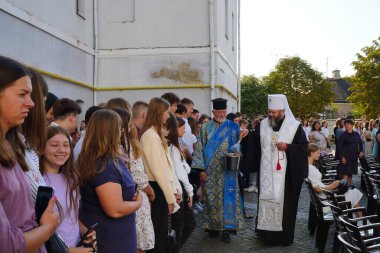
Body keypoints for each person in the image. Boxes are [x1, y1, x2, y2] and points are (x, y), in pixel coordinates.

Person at [0, 55, 59, 252]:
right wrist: (48, 228)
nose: (32, 104)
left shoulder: (10, 145)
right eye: (22, 94)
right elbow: (7, 244)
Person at [77, 109, 143, 252]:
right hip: (111, 237)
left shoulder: (106, 159)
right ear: (112, 132)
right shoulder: (103, 165)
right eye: (119, 128)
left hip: (116, 233)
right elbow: (115, 209)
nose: (121, 132)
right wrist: (138, 203)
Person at [250, 94, 308, 245]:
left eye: (274, 112)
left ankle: (283, 238)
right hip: (266, 175)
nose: (271, 115)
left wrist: (288, 147)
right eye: (269, 111)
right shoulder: (262, 125)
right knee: (265, 201)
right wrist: (245, 135)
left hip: (286, 178)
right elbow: (254, 144)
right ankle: (264, 236)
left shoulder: (294, 126)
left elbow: (303, 148)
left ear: (282, 111)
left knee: (286, 208)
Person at [192, 98, 244, 243]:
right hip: (210, 171)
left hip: (228, 170)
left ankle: (227, 229)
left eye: (223, 111)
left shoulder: (233, 127)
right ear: (213, 111)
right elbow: (199, 149)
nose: (221, 114)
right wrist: (201, 169)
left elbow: (237, 146)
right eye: (218, 111)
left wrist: (238, 152)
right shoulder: (204, 128)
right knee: (211, 199)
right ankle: (213, 228)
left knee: (228, 199)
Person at [40, 126, 96, 252]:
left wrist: (87, 232)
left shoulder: (72, 178)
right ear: (42, 147)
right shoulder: (38, 182)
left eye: (66, 145)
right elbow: (38, 230)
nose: (61, 150)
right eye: (54, 145)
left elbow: (71, 218)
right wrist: (68, 250)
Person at [140, 97, 182, 253]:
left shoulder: (154, 134)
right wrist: (170, 197)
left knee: (161, 233)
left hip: (161, 188)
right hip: (157, 188)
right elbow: (159, 171)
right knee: (158, 234)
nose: (168, 116)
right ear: (159, 112)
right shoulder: (150, 136)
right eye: (166, 112)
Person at [113, 107, 155, 253]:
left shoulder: (116, 143)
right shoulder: (127, 143)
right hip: (135, 196)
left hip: (124, 195)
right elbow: (137, 174)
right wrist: (150, 192)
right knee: (137, 243)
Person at [166, 114, 196, 252]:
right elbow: (180, 172)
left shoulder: (177, 145)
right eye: (182, 127)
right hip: (180, 187)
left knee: (185, 224)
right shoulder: (173, 147)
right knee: (182, 225)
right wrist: (190, 192)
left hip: (181, 185)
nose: (184, 130)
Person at [308, 143, 363, 216]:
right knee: (354, 192)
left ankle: (359, 221)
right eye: (318, 153)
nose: (319, 154)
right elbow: (318, 189)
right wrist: (333, 185)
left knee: (353, 191)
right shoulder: (310, 169)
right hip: (327, 200)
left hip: (326, 196)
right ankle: (360, 221)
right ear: (312, 153)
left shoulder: (310, 167)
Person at [337, 118, 363, 186]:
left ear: (352, 125)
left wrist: (360, 151)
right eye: (345, 124)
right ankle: (344, 190)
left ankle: (349, 189)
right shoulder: (343, 135)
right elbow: (339, 147)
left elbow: (360, 143)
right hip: (345, 156)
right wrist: (342, 157)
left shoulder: (356, 134)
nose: (346, 125)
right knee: (345, 173)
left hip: (354, 157)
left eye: (348, 124)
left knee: (350, 173)